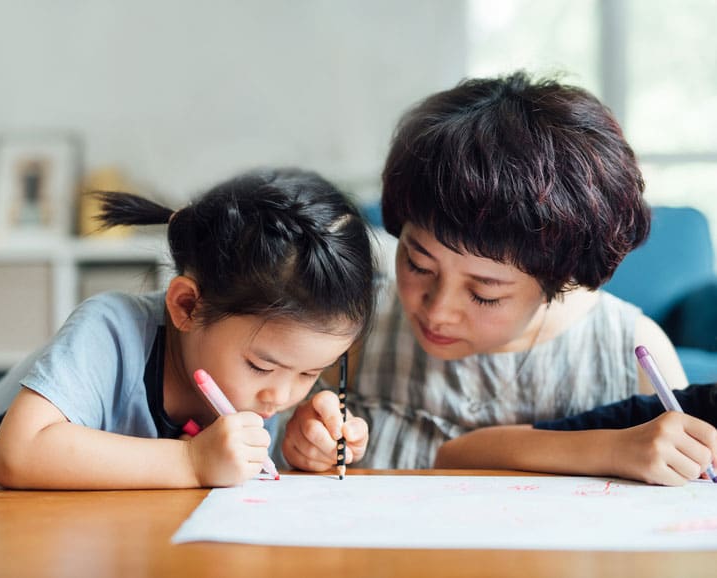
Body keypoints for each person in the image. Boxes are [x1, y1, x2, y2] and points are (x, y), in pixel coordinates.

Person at [280, 71, 717, 486]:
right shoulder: (356, 328)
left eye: (484, 293)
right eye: (417, 264)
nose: (437, 310)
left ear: (560, 280)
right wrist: (303, 445)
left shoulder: (628, 353)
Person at [0, 167, 376, 489]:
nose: (280, 397)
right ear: (187, 306)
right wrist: (190, 461)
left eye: (309, 373)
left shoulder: (269, 379)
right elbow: (19, 455)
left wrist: (301, 448)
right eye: (262, 367)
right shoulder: (110, 330)